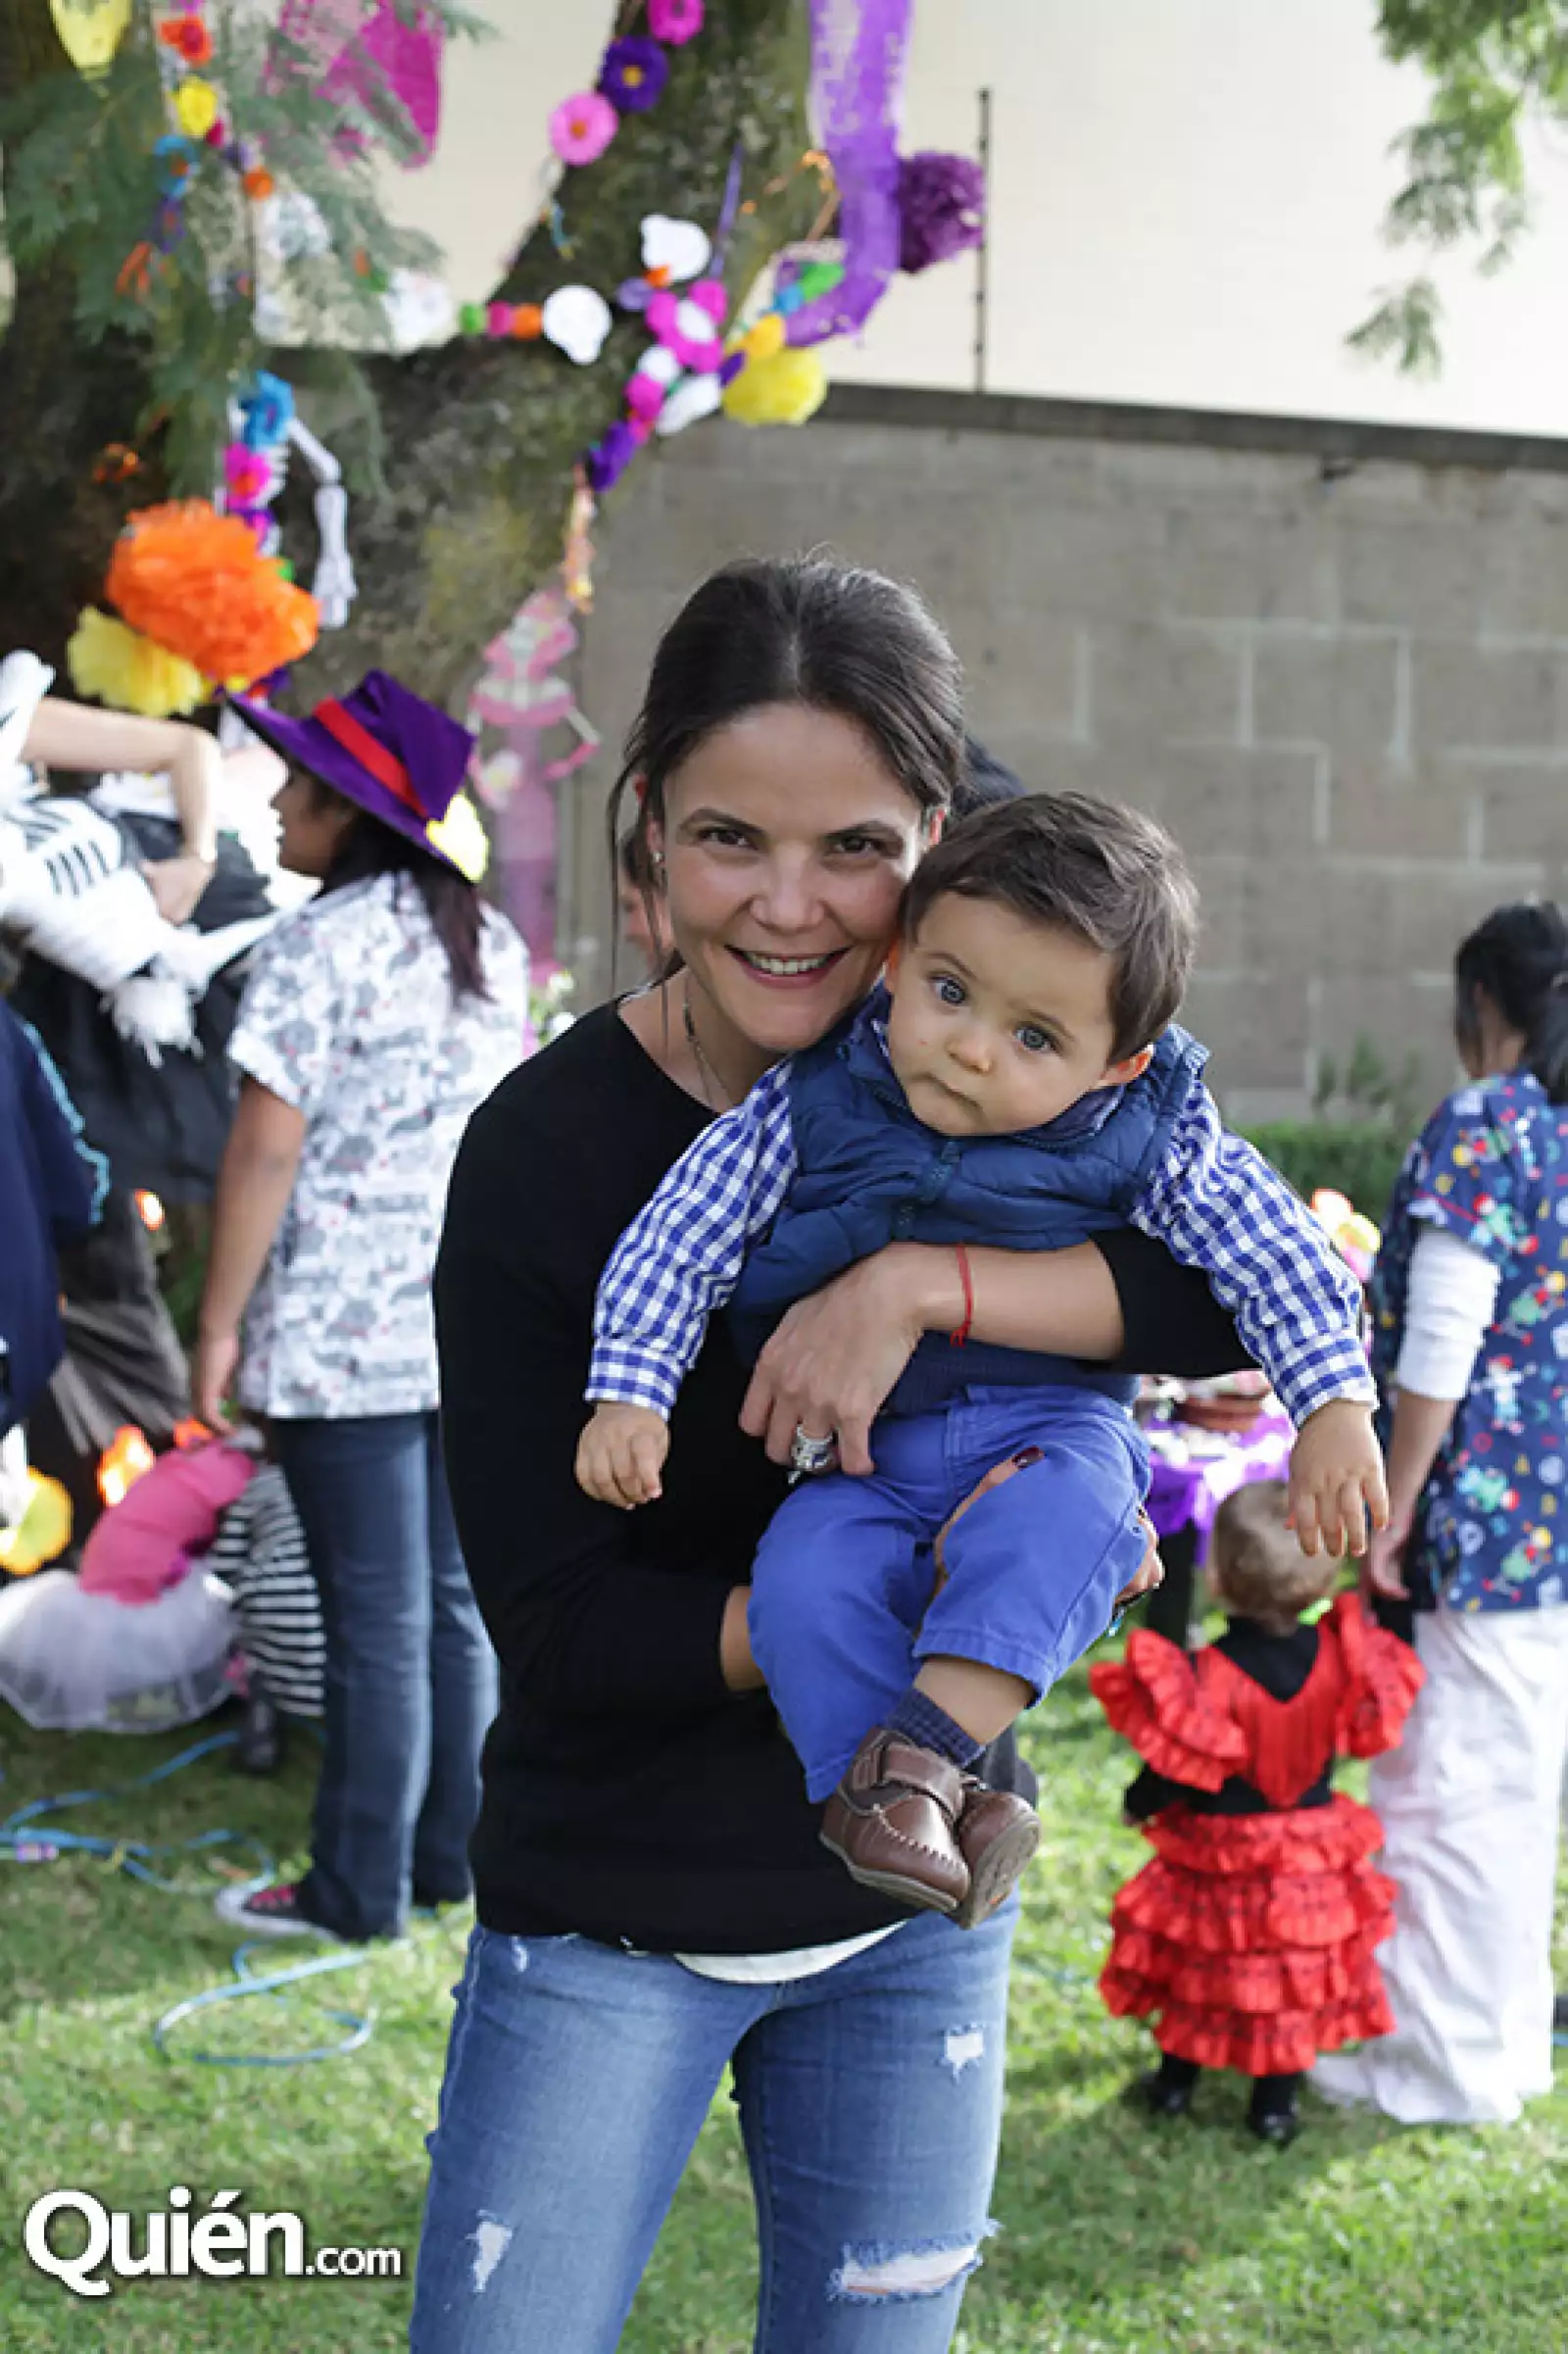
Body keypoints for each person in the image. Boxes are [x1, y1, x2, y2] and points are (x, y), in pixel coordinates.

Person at [415, 555, 1277, 2352]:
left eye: (857, 849)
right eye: (733, 838)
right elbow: (562, 1626)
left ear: (943, 836)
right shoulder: (549, 1157)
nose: (794, 908)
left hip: (917, 1915)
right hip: (617, 1921)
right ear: (645, 830)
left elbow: (1217, 1280)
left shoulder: (1014, 1047)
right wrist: (901, 1603)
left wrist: (919, 1283)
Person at [578, 792, 1385, 1925]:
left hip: (1045, 1429)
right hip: (864, 1454)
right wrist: (630, 1387)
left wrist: (1334, 1402)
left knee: (1069, 1520)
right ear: (899, 957)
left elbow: (1273, 1250)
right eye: (949, 990)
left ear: (1116, 1064)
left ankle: (916, 1769)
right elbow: (683, 1233)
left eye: (1034, 1037)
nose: (968, 1045)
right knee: (801, 1592)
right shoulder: (812, 1097)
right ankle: (915, 1801)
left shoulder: (1149, 1130)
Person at [191, 670, 528, 1943]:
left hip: (341, 1343)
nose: (275, 803)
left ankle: (352, 1891)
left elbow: (261, 1154)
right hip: (467, 1330)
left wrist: (217, 1324)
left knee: (375, 1625)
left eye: (295, 786)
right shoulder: (487, 942)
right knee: (449, 1606)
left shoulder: (315, 945)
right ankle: (451, 1863)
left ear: (350, 812)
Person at [1312, 903, 1568, 2126]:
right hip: (1551, 1520)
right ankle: (1503, 2045)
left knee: (1450, 1790)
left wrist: (1395, 1502)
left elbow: (1446, 1341)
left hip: (1481, 1516)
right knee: (1512, 1792)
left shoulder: (1492, 1124)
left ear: (1482, 1002)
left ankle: (1439, 2065)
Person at [1091, 1480, 1423, 2145]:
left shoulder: (1203, 1672)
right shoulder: (1342, 1654)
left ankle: (1175, 2085)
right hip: (1306, 1850)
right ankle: (1274, 2108)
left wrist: (1139, 1804)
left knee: (1200, 1965)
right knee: (1290, 1973)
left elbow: (1174, 1767)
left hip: (1222, 1852)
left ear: (1217, 1578)